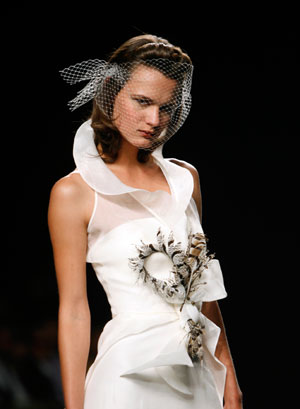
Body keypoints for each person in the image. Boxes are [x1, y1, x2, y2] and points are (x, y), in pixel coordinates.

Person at [48, 34, 243, 409]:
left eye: (167, 107)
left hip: (197, 375)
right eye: (142, 102)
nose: (155, 120)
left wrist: (229, 379)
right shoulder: (74, 193)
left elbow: (202, 286)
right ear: (110, 92)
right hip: (127, 376)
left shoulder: (185, 179)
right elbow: (73, 310)